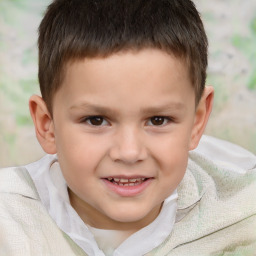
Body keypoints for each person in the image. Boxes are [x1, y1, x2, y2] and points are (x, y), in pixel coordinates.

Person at [0, 0, 256, 255]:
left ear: (197, 121)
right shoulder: (10, 222)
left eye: (158, 120)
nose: (129, 152)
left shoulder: (242, 211)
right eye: (96, 120)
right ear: (48, 126)